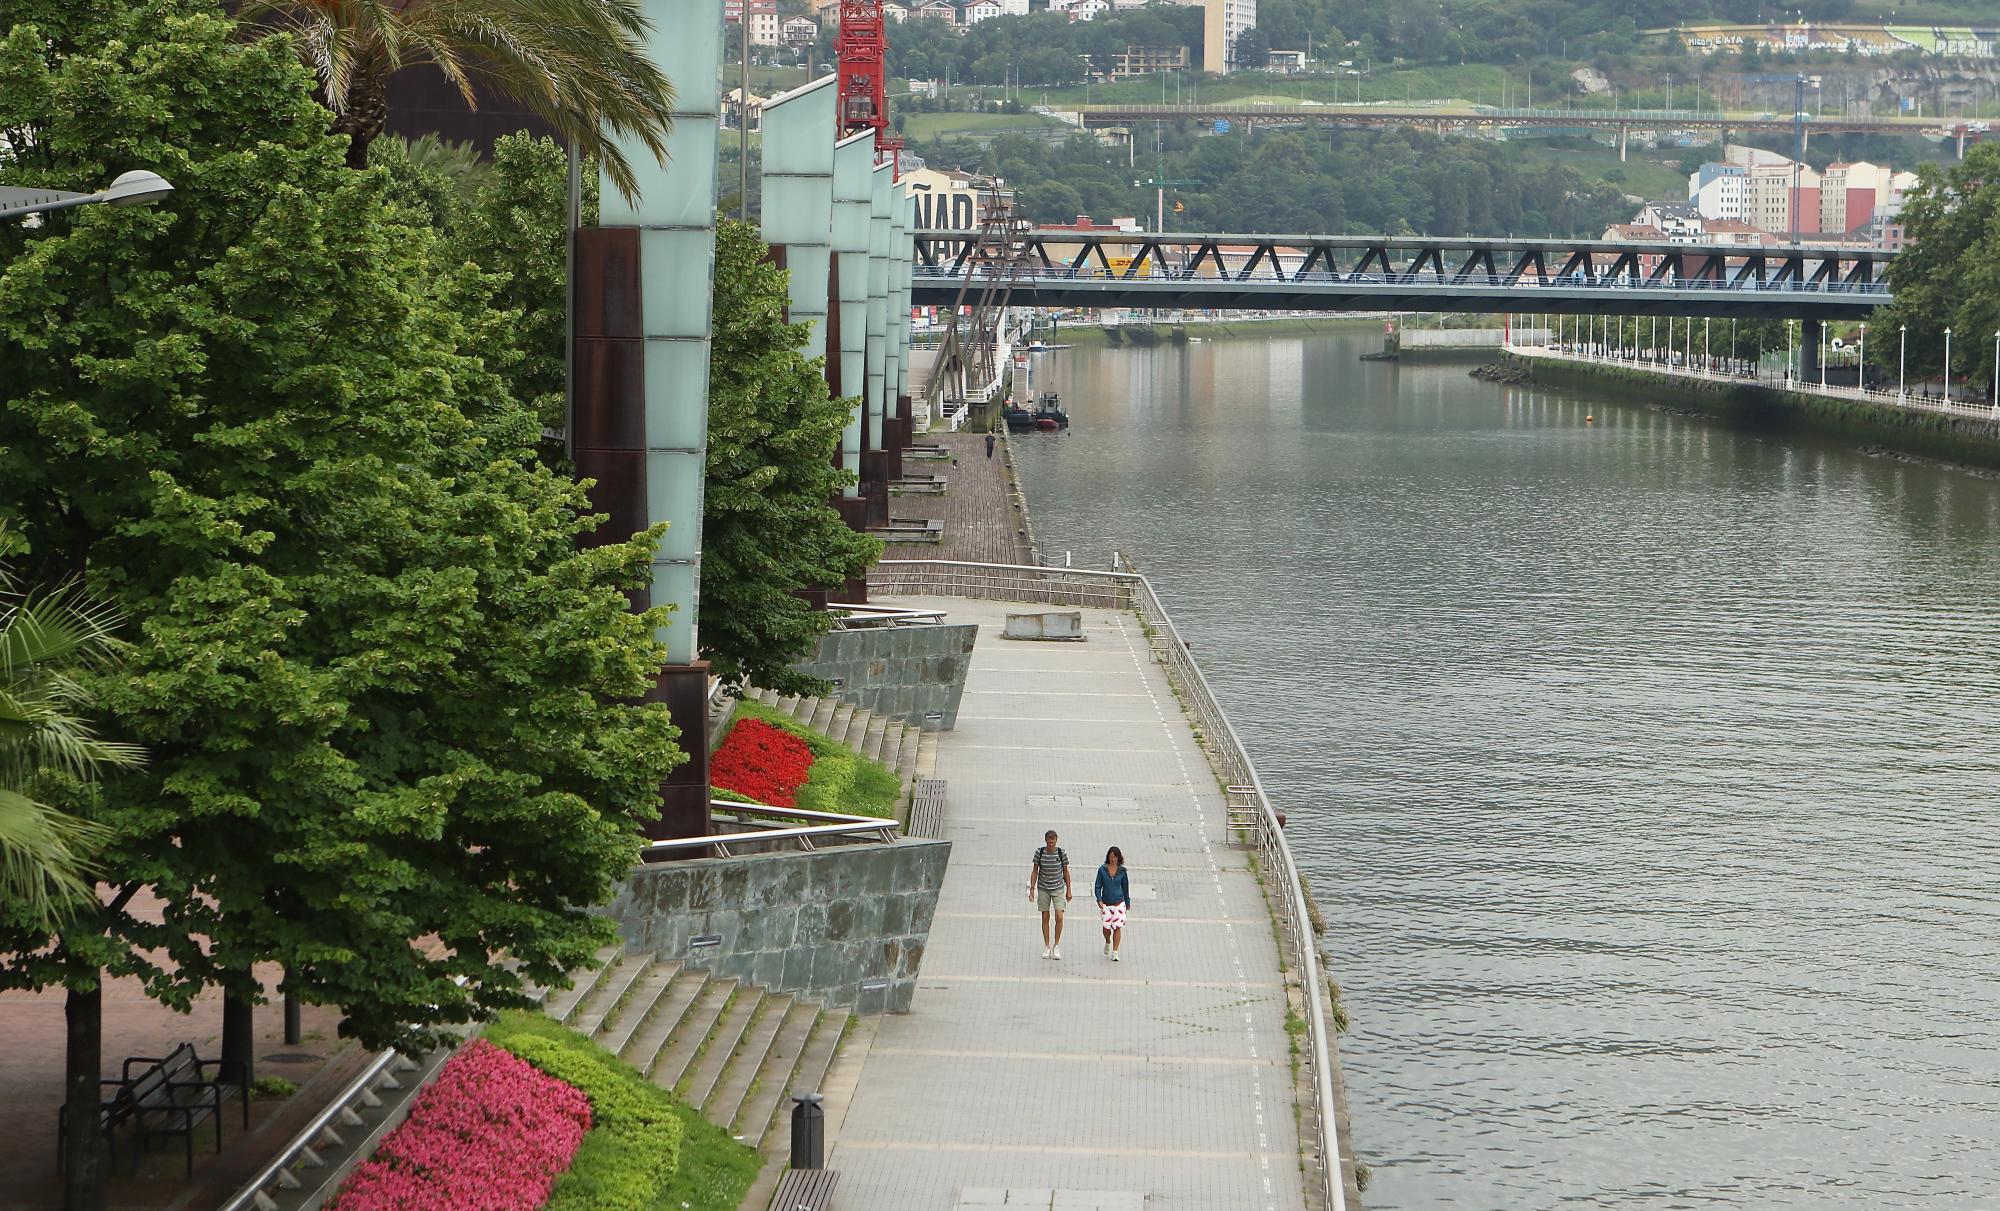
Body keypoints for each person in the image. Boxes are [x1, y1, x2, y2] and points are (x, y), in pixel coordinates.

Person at [1027, 829, 1071, 959]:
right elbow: (1035, 870)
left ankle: (1056, 945)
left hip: (1058, 888)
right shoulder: (1039, 853)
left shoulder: (1061, 853)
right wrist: (1032, 889)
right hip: (1043, 888)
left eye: (1053, 841)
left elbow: (1066, 871)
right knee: (1045, 917)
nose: (1051, 844)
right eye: (1049, 841)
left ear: (1056, 841)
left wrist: (1069, 889)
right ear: (1046, 841)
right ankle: (1047, 946)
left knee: (1059, 916)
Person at [1094, 846, 1131, 961]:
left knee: (1117, 927)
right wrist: (1099, 899)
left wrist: (1127, 901)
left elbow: (1125, 887)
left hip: (1119, 903)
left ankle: (1115, 951)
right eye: (1111, 856)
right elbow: (1098, 886)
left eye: (1115, 856)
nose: (1113, 859)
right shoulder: (1102, 870)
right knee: (1106, 928)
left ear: (1118, 858)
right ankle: (1107, 941)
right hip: (1106, 903)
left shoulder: (1122, 871)